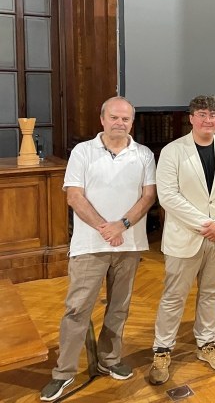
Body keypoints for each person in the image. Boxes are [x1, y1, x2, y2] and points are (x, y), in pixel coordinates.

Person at [40, 97, 157, 401]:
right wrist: (106, 228)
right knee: (77, 309)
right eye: (114, 117)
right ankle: (64, 372)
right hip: (90, 245)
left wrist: (122, 225)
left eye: (126, 119)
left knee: (119, 308)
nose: (120, 123)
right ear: (102, 119)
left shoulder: (143, 154)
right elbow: (74, 196)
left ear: (132, 122)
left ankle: (109, 359)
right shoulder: (83, 151)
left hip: (129, 245)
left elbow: (148, 196)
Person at [148, 95, 215, 385]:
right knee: (173, 296)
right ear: (191, 118)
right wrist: (205, 224)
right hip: (186, 237)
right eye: (202, 114)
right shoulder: (173, 151)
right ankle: (162, 349)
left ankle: (206, 344)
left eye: (213, 115)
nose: (208, 120)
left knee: (211, 292)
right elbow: (168, 195)